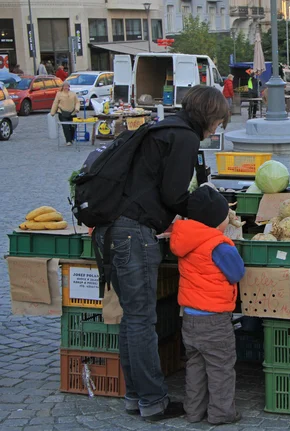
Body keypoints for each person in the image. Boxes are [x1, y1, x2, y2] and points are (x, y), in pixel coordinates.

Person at [94, 86, 230, 422]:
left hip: (112, 229)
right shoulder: (183, 137)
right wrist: (207, 212)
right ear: (208, 114)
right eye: (217, 121)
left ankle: (135, 397)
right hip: (133, 232)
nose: (217, 128)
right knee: (141, 319)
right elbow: (173, 193)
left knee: (132, 318)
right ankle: (153, 401)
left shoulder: (164, 127)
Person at [170, 186, 245, 426]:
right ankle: (221, 413)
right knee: (220, 367)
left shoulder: (185, 239)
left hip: (190, 317)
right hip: (214, 319)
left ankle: (193, 411)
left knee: (195, 366)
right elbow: (236, 273)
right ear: (216, 220)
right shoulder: (218, 245)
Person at [50, 82, 80, 146]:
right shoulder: (59, 94)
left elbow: (77, 102)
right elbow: (55, 103)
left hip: (72, 113)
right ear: (63, 87)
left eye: (67, 86)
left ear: (69, 87)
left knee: (73, 127)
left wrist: (77, 108)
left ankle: (71, 138)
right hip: (62, 113)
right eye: (65, 86)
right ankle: (68, 141)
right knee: (65, 127)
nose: (66, 87)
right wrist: (52, 112)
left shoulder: (73, 94)